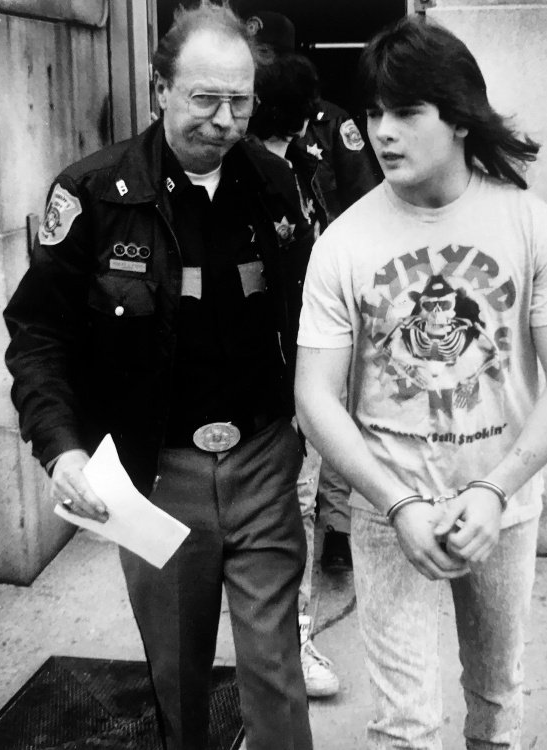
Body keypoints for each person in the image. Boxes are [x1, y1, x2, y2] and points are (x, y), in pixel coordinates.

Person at [3, 4, 313, 749]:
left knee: (274, 668)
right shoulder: (93, 195)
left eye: (240, 101)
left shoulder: (275, 184)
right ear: (159, 89)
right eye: (205, 98)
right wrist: (61, 447)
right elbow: (38, 331)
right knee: (177, 672)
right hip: (155, 476)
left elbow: (312, 315)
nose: (225, 120)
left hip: (264, 461)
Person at [295, 15, 547, 750]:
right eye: (372, 113)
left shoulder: (528, 224)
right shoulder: (346, 241)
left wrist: (496, 490)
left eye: (405, 112)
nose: (382, 132)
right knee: (404, 728)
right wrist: (394, 502)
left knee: (497, 703)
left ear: (457, 118)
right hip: (386, 509)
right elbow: (313, 394)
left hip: (502, 506)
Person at [246, 45, 342, 699]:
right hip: (258, 379)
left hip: (306, 366)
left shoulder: (310, 169)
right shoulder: (235, 177)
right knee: (287, 506)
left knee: (303, 502)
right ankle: (285, 637)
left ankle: (294, 634)